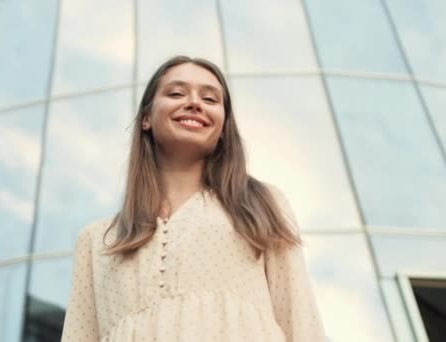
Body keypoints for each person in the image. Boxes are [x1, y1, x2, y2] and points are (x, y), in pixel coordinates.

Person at [61, 56, 325, 341]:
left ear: (223, 127)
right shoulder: (96, 240)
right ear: (146, 118)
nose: (195, 103)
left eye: (210, 99)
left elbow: (300, 321)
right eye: (176, 93)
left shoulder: (261, 203)